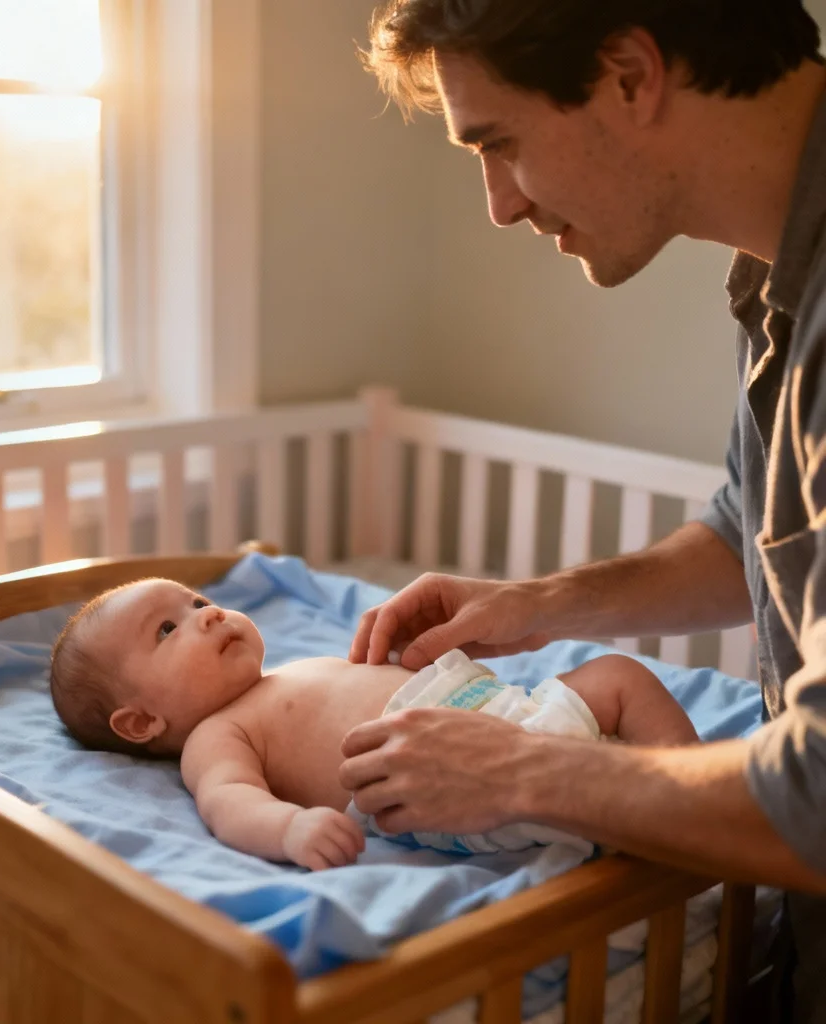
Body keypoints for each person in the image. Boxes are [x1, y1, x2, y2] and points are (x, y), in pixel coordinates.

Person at [341, 2, 826, 1019]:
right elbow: (748, 534)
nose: (498, 206)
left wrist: (525, 767)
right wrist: (537, 603)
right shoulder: (775, 274)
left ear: (627, 74)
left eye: (499, 141)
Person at [48, 577, 697, 870]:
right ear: (140, 722)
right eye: (168, 629)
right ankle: (665, 826)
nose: (208, 615)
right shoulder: (218, 737)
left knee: (618, 674)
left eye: (198, 601)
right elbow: (228, 801)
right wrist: (292, 828)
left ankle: (686, 793)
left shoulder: (294, 669)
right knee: (602, 728)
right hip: (457, 788)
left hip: (516, 715)